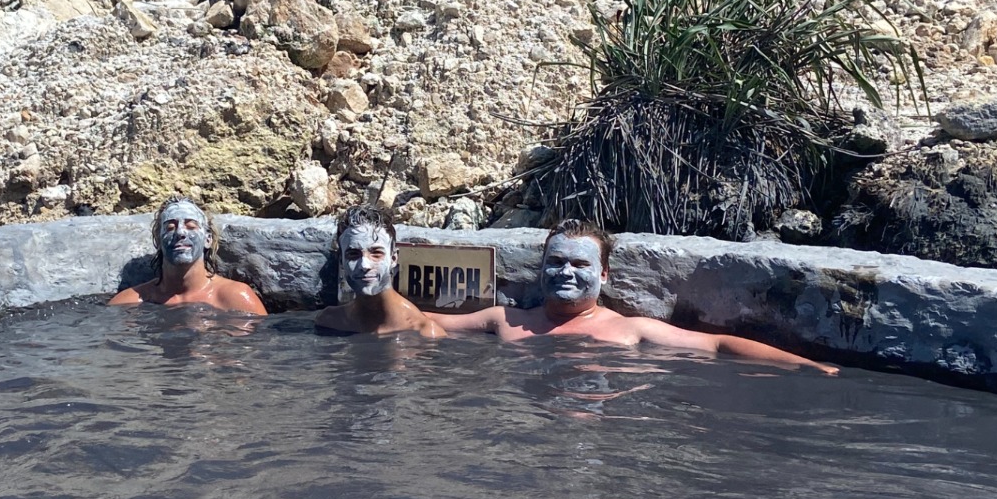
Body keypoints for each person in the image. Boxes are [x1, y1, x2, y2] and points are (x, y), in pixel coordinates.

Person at [426, 219, 838, 373]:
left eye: (580, 264)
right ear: (541, 269)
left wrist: (806, 366)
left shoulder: (632, 331)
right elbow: (424, 323)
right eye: (556, 262)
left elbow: (718, 345)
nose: (566, 272)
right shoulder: (504, 321)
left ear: (603, 275)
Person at [109, 197, 268, 316]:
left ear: (208, 239)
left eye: (191, 226)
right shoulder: (128, 303)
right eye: (170, 228)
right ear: (158, 240)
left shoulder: (236, 298)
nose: (180, 233)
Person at [314, 205, 446, 338]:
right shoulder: (330, 321)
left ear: (393, 259)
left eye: (376, 254)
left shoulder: (424, 332)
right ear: (341, 261)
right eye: (353, 255)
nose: (364, 265)